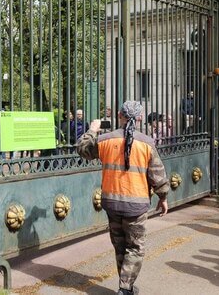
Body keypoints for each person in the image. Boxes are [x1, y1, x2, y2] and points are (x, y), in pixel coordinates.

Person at [77, 101, 169, 295]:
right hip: (136, 205)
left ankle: (125, 285)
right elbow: (157, 174)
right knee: (134, 248)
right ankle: (125, 288)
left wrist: (92, 130)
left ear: (119, 115)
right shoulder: (146, 143)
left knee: (119, 245)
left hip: (112, 203)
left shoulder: (105, 140)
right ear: (140, 118)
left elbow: (83, 149)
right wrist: (163, 197)